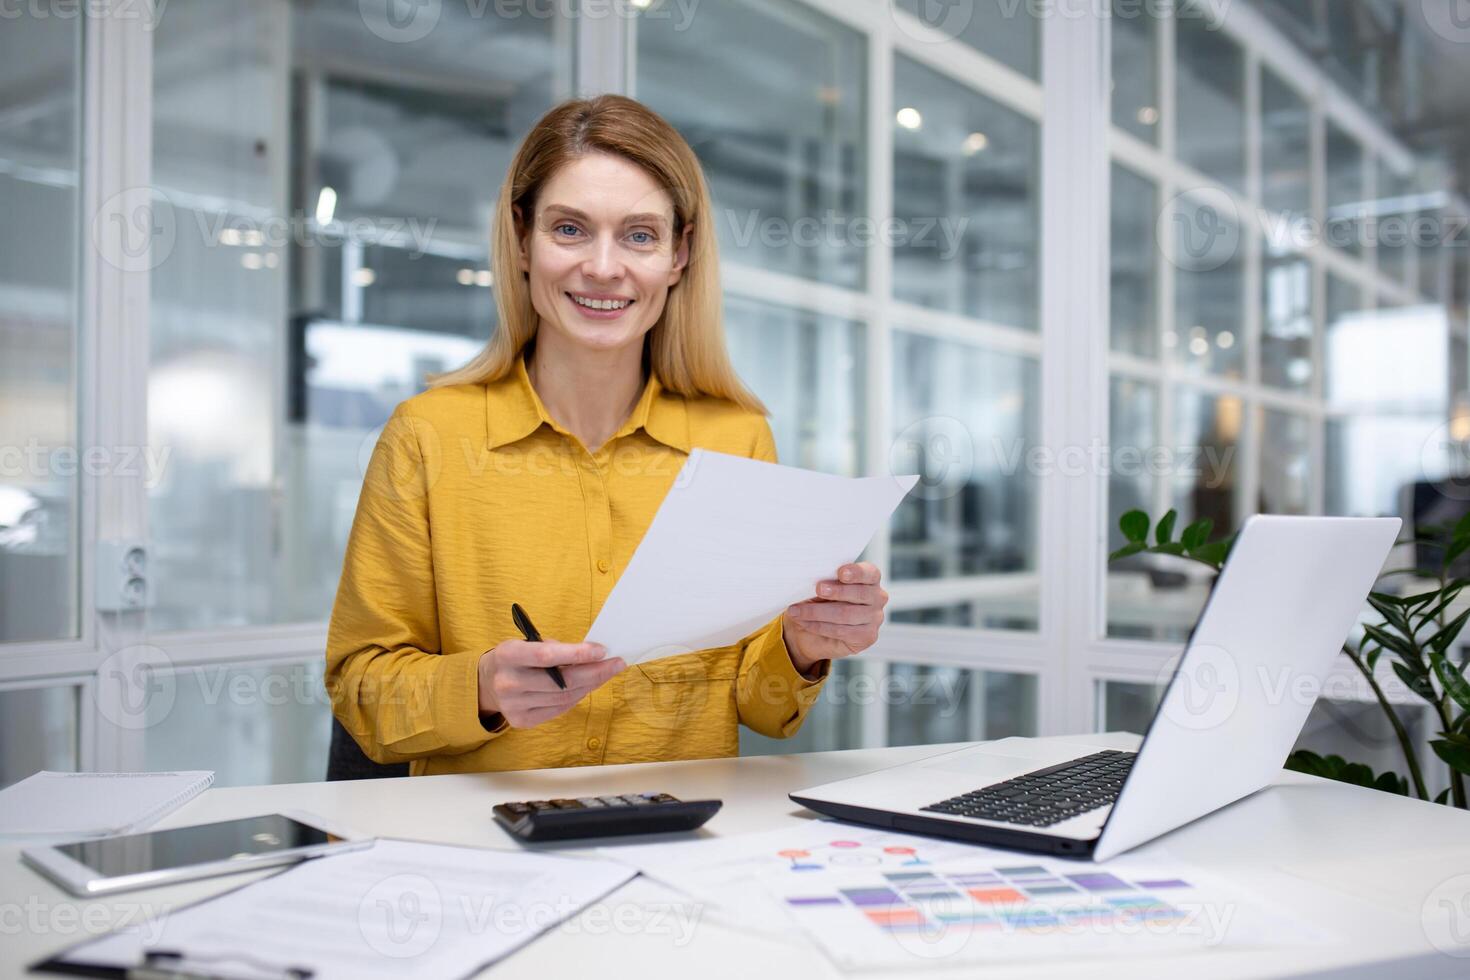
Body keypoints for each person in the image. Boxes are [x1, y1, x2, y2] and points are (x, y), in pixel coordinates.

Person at [325, 94, 888, 775]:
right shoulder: (427, 437)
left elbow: (762, 707)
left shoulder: (736, 437)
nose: (602, 266)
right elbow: (362, 688)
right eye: (569, 229)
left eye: (640, 235)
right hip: (482, 856)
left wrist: (803, 643)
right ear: (521, 239)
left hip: (683, 842)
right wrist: (479, 688)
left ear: (679, 255)